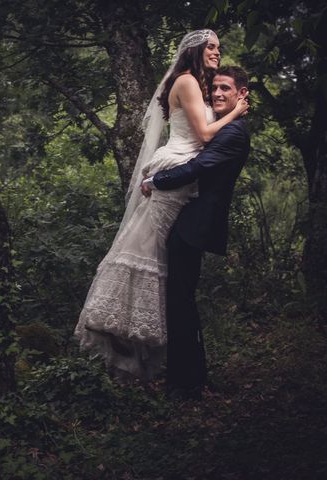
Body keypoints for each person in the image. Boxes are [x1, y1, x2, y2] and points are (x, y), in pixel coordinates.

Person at [74, 29, 248, 382]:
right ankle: (122, 329)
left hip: (181, 171)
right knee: (147, 253)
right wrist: (237, 112)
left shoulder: (199, 84)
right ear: (196, 50)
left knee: (157, 259)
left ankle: (148, 351)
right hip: (176, 166)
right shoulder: (186, 80)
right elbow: (203, 136)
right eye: (211, 47)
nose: (216, 52)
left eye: (218, 47)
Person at [141, 65, 251, 398]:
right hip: (190, 222)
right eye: (214, 88)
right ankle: (189, 378)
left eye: (226, 89)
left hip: (195, 226)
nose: (218, 93)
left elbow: (198, 167)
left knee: (180, 302)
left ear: (241, 94)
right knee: (180, 301)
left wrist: (155, 180)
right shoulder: (226, 128)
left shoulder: (234, 132)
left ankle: (184, 384)